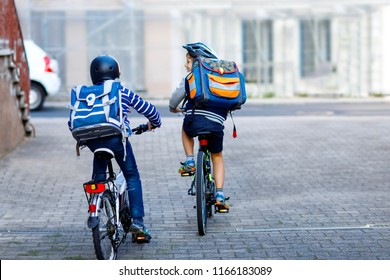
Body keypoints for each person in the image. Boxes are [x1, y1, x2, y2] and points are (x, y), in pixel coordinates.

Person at [76, 55, 162, 240]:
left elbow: (73, 121)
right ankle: (137, 222)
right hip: (117, 141)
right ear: (115, 72)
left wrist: (85, 140)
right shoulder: (120, 90)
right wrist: (154, 123)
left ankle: (96, 206)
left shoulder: (86, 94)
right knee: (132, 176)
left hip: (93, 143)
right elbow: (150, 110)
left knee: (98, 180)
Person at [169, 42, 229, 210]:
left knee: (185, 129)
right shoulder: (220, 77)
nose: (185, 64)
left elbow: (175, 98)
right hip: (217, 123)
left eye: (188, 61)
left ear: (197, 62)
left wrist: (173, 108)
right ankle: (219, 194)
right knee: (217, 157)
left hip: (194, 121)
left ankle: (190, 160)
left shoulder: (191, 77)